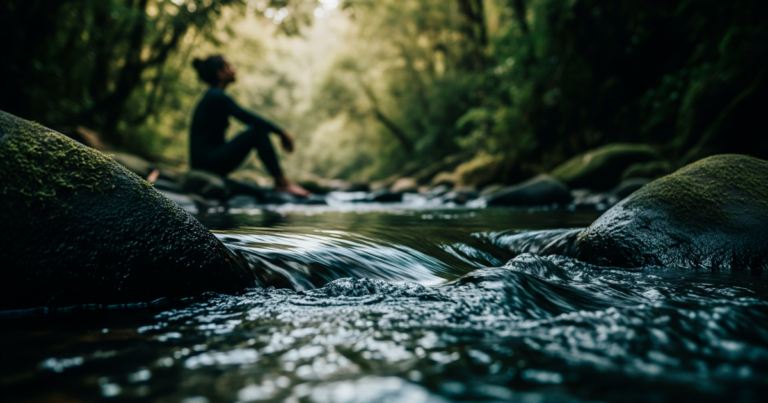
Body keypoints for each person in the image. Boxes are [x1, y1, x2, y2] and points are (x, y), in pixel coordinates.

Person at [190, 55, 309, 197]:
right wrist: (280, 132)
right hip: (207, 163)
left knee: (256, 131)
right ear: (220, 73)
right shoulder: (215, 97)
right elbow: (247, 117)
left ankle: (281, 182)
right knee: (257, 132)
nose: (234, 69)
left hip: (207, 161)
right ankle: (281, 182)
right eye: (229, 67)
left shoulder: (214, 96)